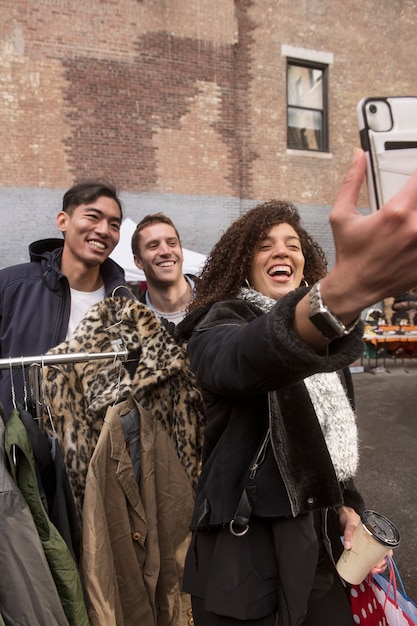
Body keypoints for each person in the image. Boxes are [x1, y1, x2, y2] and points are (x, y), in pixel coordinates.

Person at [177, 148, 417, 626]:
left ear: (305, 260)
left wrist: (349, 507)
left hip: (321, 536)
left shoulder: (326, 347)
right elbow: (245, 357)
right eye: (264, 245)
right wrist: (341, 295)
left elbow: (326, 445)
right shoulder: (214, 325)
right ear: (242, 265)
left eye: (291, 243)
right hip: (244, 547)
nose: (281, 251)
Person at [0, 179, 132, 418]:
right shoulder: (11, 286)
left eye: (114, 225)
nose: (104, 230)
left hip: (99, 445)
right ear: (63, 221)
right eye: (93, 216)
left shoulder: (124, 302)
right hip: (20, 444)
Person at [131, 212, 195, 325]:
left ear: (181, 251)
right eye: (153, 246)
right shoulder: (132, 327)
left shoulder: (218, 304)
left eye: (172, 243)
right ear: (138, 261)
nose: (166, 251)